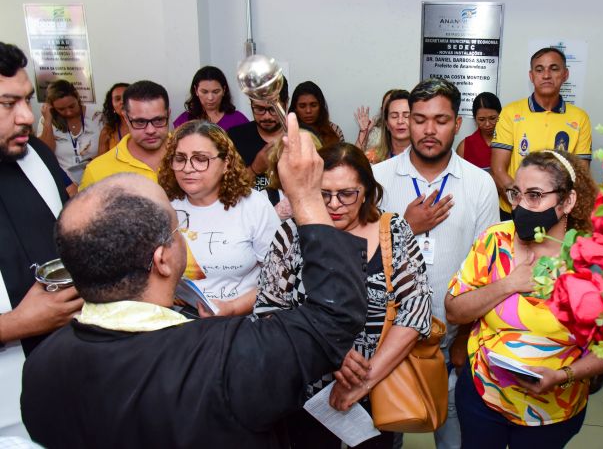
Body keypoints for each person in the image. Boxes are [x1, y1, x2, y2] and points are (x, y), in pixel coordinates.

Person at [20, 113, 370, 448]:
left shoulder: (41, 366)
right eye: (177, 228)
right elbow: (333, 318)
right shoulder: (227, 358)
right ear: (163, 259)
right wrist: (307, 198)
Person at [445, 150, 603, 449]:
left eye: (535, 195)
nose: (521, 206)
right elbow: (454, 310)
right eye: (517, 194)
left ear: (567, 201)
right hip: (483, 397)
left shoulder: (594, 259)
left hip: (553, 410)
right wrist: (507, 284)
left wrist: (562, 375)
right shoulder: (495, 240)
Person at [255, 142, 431, 448]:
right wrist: (327, 353)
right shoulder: (291, 233)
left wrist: (363, 382)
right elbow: (269, 310)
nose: (334, 204)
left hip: (379, 388)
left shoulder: (392, 231)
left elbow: (415, 311)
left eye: (346, 194)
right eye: (323, 194)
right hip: (306, 391)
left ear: (366, 191)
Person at [372, 78, 499, 449]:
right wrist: (405, 228)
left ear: (458, 124)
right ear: (406, 122)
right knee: (384, 435)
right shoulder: (378, 180)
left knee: (454, 436)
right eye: (419, 118)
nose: (429, 130)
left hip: (451, 338)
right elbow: (360, 258)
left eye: (441, 120)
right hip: (385, 336)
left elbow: (489, 267)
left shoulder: (479, 184)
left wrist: (463, 339)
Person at [0, 42, 83, 437]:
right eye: (7, 103)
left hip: (64, 369)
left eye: (28, 101)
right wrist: (15, 324)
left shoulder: (35, 154)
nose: (25, 118)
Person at [159, 120, 280, 316]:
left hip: (240, 322)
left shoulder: (254, 206)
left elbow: (279, 278)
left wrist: (232, 308)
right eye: (180, 158)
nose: (188, 168)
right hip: (175, 320)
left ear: (226, 164)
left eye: (200, 159)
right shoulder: (163, 205)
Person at [491, 47, 592, 220]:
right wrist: (523, 201)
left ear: (565, 74)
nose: (546, 75)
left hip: (557, 214)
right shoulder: (510, 112)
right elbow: (498, 169)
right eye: (539, 69)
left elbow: (580, 174)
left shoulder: (579, 118)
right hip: (513, 210)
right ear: (531, 76)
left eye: (554, 68)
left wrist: (552, 206)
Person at [79, 80, 170, 189]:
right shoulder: (96, 171)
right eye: (140, 122)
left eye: (158, 120)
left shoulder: (191, 154)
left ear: (168, 114)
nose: (150, 130)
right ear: (126, 118)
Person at [228, 77, 289, 204]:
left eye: (273, 109)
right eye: (259, 109)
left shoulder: (304, 137)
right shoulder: (235, 137)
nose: (266, 116)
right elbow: (227, 192)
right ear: (251, 103)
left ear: (286, 104)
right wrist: (255, 168)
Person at [36, 79, 103, 184]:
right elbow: (46, 153)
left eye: (72, 106)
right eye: (61, 109)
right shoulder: (46, 121)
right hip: (64, 183)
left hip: (95, 178)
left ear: (77, 97)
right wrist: (48, 121)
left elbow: (109, 149)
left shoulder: (97, 117)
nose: (68, 112)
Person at [173, 66, 249, 131]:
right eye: (204, 92)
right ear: (196, 91)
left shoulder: (238, 119)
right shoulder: (184, 120)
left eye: (216, 92)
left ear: (224, 90)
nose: (210, 98)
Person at [456, 92, 502, 172]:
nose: (487, 124)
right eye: (481, 119)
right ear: (475, 118)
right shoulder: (465, 146)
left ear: (500, 115)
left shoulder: (509, 142)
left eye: (492, 118)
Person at [289, 81, 344, 146]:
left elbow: (342, 155)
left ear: (320, 106)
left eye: (313, 105)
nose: (308, 111)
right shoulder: (287, 132)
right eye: (302, 106)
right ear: (295, 108)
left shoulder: (334, 130)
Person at [365, 89, 410, 164]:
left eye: (406, 116)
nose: (400, 121)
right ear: (387, 123)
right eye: (394, 116)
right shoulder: (372, 157)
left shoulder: (426, 156)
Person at [97, 82, 130, 155]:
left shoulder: (148, 127)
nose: (122, 102)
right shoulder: (107, 131)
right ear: (112, 105)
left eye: (126, 98)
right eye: (118, 99)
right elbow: (101, 162)